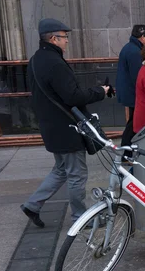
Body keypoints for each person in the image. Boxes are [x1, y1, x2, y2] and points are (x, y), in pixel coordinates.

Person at [21, 18, 108, 227]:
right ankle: (81, 218)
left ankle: (32, 205)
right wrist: (101, 91)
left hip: (51, 126)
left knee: (61, 169)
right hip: (67, 128)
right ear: (53, 38)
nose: (67, 41)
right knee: (77, 175)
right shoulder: (55, 63)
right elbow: (74, 97)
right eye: (64, 37)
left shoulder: (35, 60)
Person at [116, 25, 145, 150]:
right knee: (133, 123)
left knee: (132, 122)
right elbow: (137, 75)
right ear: (142, 37)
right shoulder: (135, 51)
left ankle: (127, 150)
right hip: (132, 93)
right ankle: (126, 150)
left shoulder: (130, 48)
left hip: (128, 91)